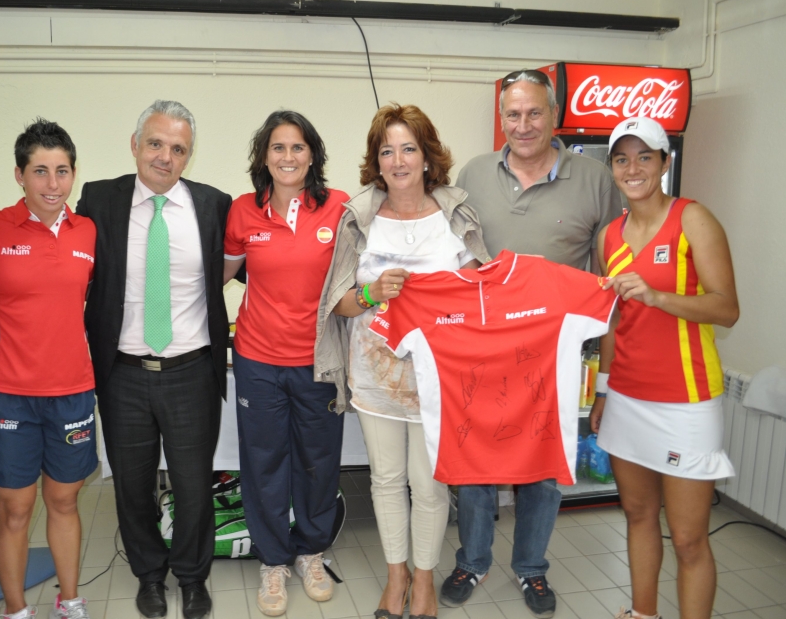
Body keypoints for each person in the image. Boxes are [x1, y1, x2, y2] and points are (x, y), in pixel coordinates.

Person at [443, 69, 623, 618]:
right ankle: (473, 560)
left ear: (555, 115)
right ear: (502, 118)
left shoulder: (595, 179)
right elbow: (452, 258)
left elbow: (612, 272)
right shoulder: (472, 173)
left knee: (543, 469)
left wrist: (610, 369)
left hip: (556, 358)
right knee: (474, 464)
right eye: (513, 114)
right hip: (482, 352)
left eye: (534, 113)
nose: (523, 125)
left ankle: (531, 570)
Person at [316, 103, 489, 619]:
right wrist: (371, 294)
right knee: (386, 480)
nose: (397, 159)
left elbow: (481, 298)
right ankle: (396, 580)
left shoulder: (455, 215)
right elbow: (338, 303)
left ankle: (424, 582)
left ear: (427, 155)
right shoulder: (359, 217)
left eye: (408, 148)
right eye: (386, 150)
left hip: (442, 377)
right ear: (376, 160)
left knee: (430, 483)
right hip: (376, 377)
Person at [75, 100, 231, 619]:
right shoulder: (99, 200)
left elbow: (267, 264)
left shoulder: (214, 206)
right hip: (122, 373)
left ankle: (191, 577)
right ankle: (148, 574)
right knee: (133, 485)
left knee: (192, 485)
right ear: (136, 144)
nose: (165, 156)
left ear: (189, 156)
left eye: (178, 148)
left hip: (191, 372)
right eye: (156, 143)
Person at [590, 117, 738, 619]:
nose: (633, 168)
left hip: (687, 401)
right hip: (627, 398)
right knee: (636, 515)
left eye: (644, 157)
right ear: (612, 168)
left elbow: (726, 309)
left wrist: (658, 296)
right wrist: (604, 393)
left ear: (665, 162)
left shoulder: (693, 219)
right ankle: (643, 613)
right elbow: (612, 323)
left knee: (691, 538)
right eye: (622, 158)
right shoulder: (609, 236)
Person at [222, 110, 348, 616]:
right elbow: (220, 275)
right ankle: (273, 560)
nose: (288, 157)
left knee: (318, 462)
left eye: (298, 147)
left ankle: (311, 552)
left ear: (312, 154)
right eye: (278, 148)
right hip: (257, 360)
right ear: (263, 157)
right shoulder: (242, 212)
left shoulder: (338, 207)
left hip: (319, 361)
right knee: (264, 461)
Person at [0, 119, 97, 619]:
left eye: (62, 171)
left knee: (65, 502)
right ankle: (16, 609)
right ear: (20, 175)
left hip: (73, 391)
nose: (52, 184)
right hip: (8, 395)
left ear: (72, 175)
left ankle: (70, 601)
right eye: (40, 171)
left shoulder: (87, 230)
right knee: (15, 510)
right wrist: (1, 328)